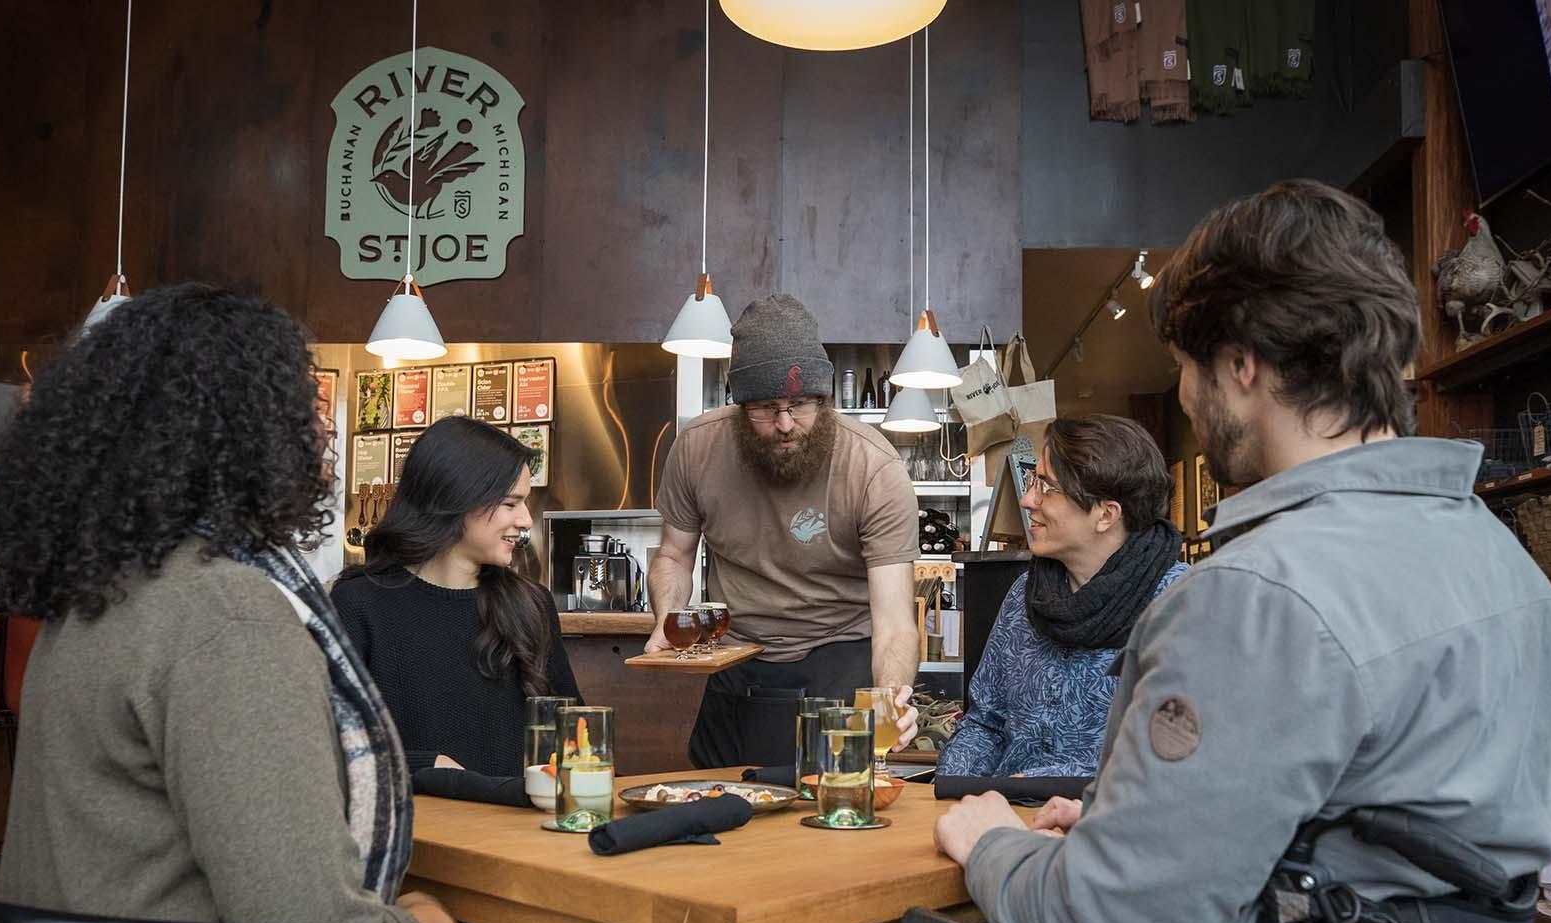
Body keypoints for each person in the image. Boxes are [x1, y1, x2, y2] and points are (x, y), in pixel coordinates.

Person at [796, 179, 1551, 923]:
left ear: (1243, 363)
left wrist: (993, 840)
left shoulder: (1255, 593)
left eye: (1184, 367)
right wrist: (1139, 826)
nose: (1183, 396)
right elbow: (1389, 826)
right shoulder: (1511, 570)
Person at [0, 284, 668, 923]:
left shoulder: (93, 606)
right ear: (243, 422)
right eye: (302, 400)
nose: (325, 428)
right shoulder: (227, 618)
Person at [647, 294, 920, 768]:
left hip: (837, 653)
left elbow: (895, 622)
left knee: (829, 811)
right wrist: (668, 620)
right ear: (739, 404)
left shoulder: (873, 467)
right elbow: (674, 555)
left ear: (824, 398)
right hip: (734, 657)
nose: (786, 424)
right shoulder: (696, 449)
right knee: (716, 808)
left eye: (800, 404)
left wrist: (888, 698)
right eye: (766, 408)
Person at [938, 415, 1186, 778]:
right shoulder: (1022, 596)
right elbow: (985, 725)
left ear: (1106, 514)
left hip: (1111, 828)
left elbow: (1178, 752)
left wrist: (1040, 783)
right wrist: (951, 787)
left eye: (1046, 487)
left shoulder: (1179, 604)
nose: (1026, 500)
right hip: (1008, 818)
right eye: (1033, 481)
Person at [332, 417, 580, 775]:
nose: (526, 520)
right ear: (455, 498)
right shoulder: (358, 606)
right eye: (511, 504)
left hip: (518, 828)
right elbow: (332, 747)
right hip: (413, 826)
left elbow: (576, 736)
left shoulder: (532, 605)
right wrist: (428, 766)